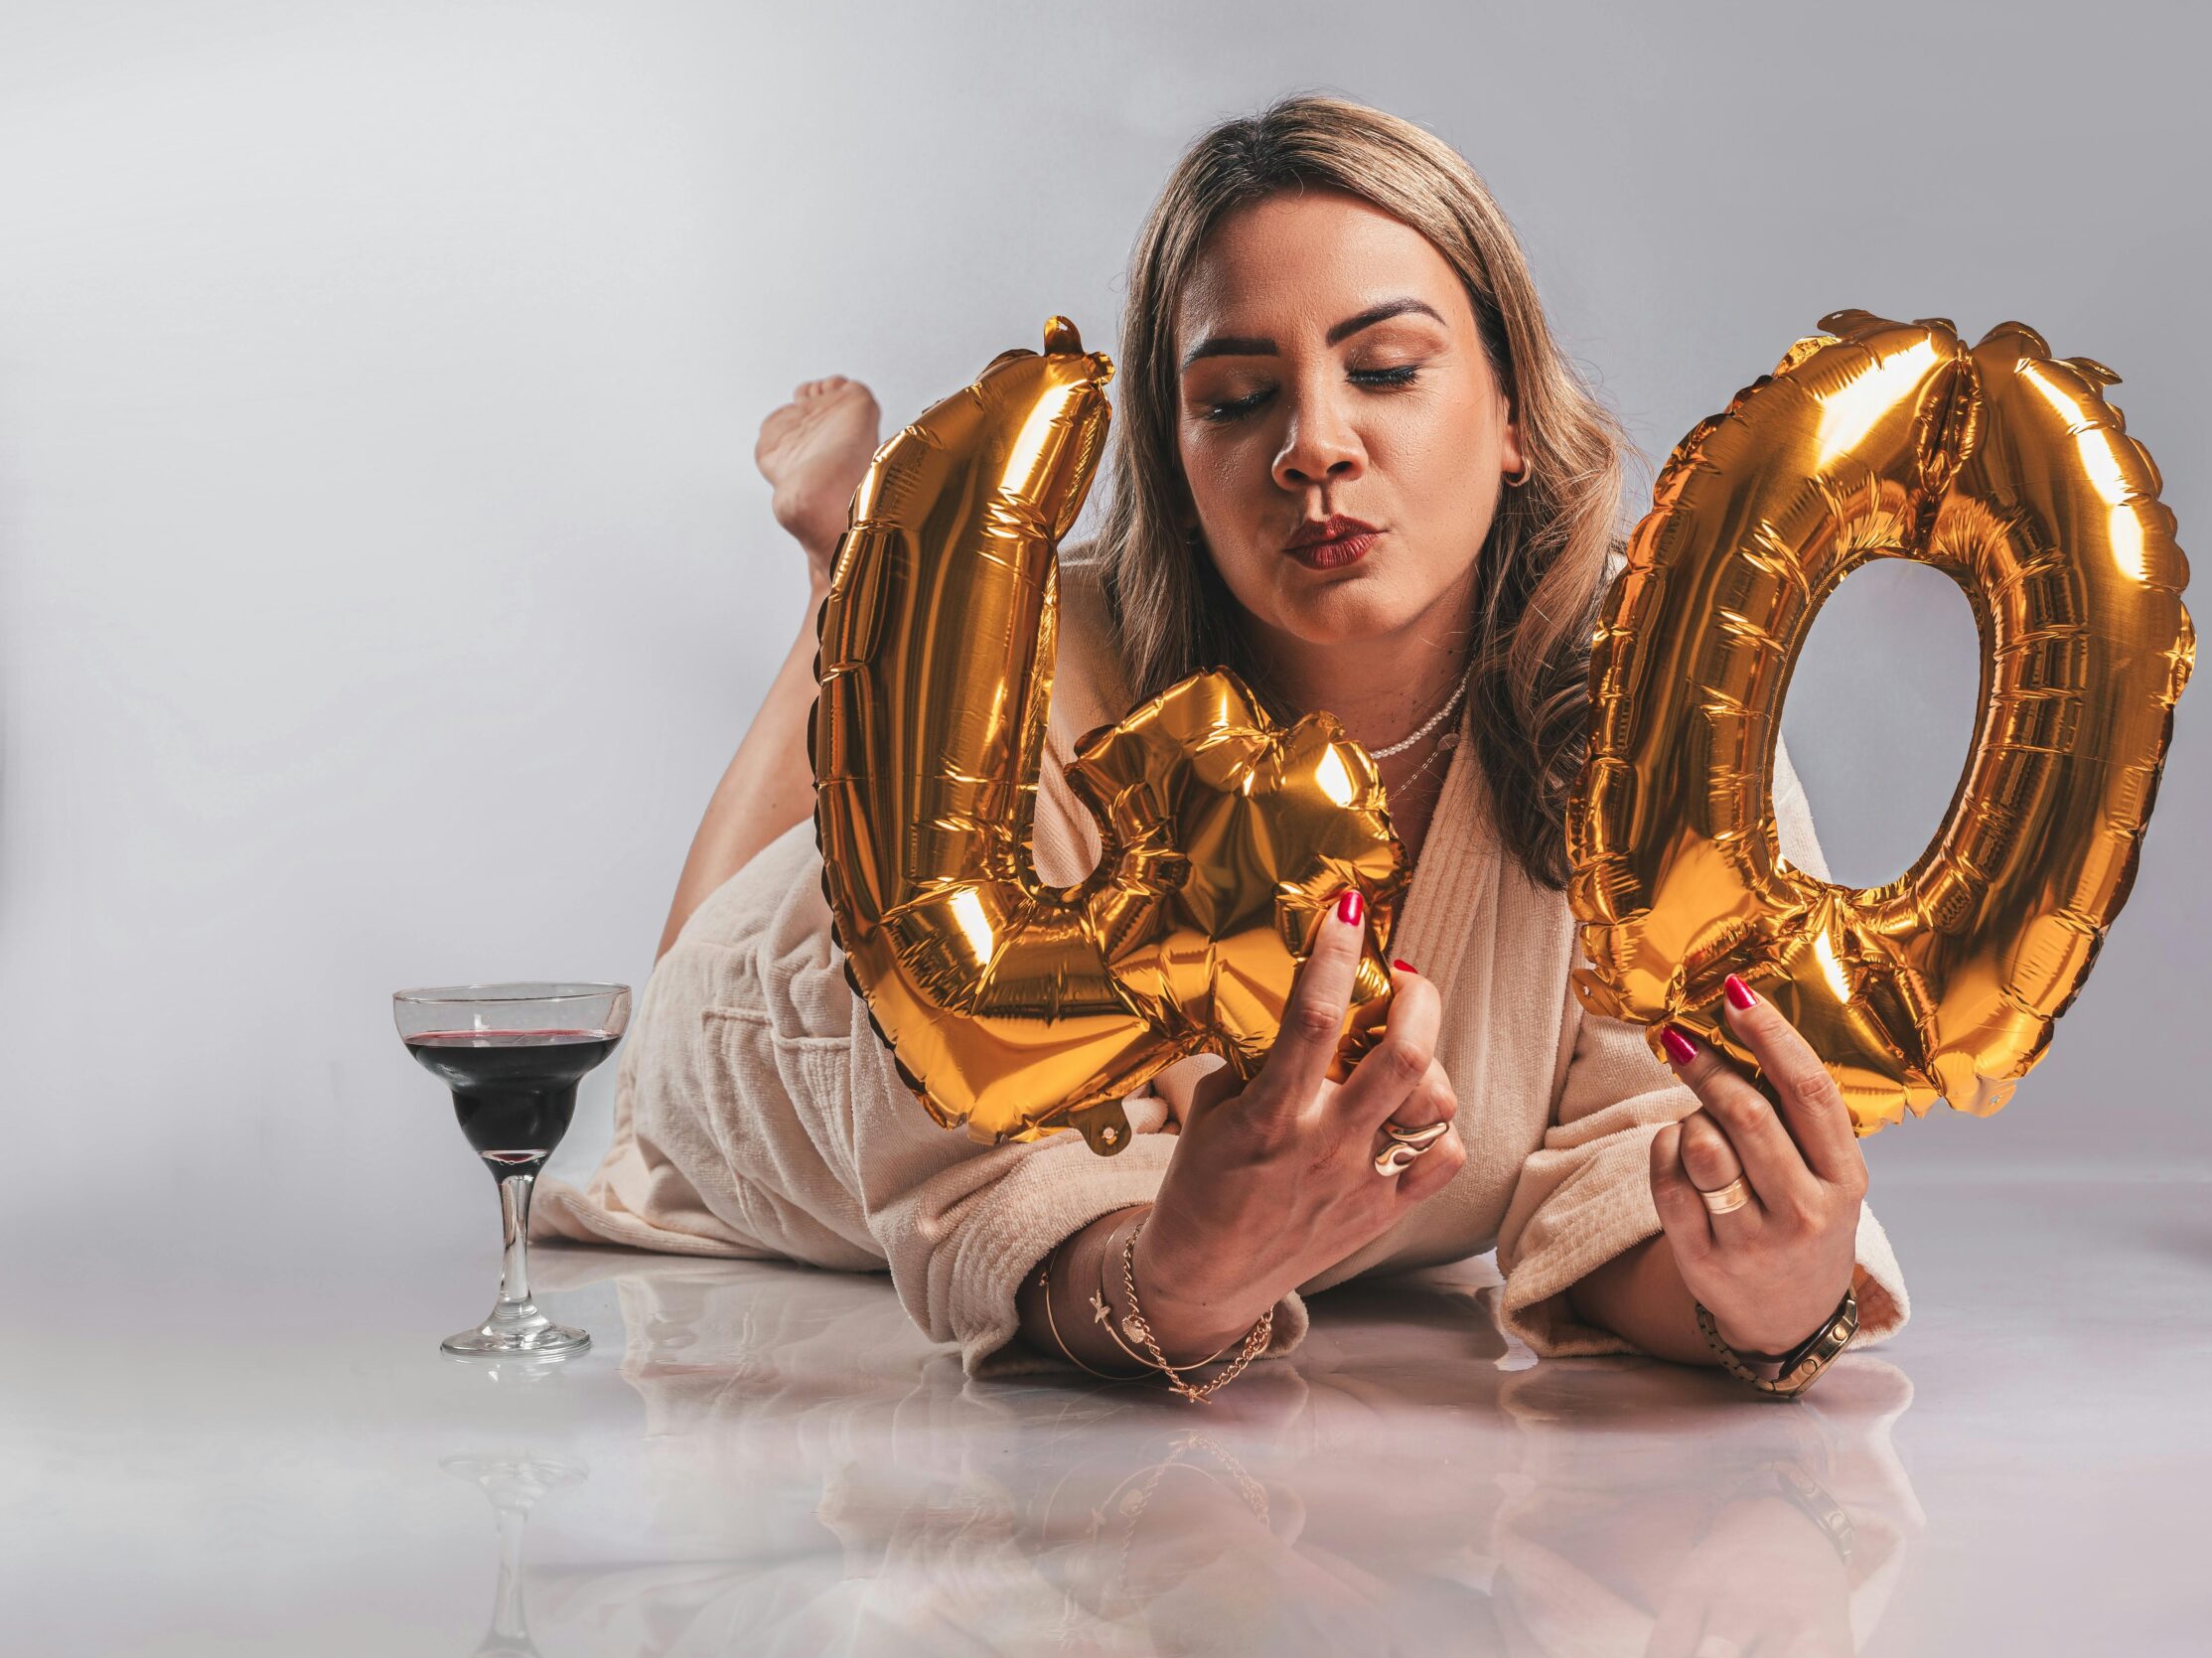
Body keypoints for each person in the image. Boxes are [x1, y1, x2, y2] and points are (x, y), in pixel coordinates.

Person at [537, 95, 1909, 1398]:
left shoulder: (1650, 698)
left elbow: (1649, 1193)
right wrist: (1174, 1285)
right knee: (681, 995)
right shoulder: (1029, 705)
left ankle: (871, 573)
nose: (1313, 445)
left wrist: (1775, 1301)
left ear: (1509, 416)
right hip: (795, 1043)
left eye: (1384, 370)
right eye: (1236, 400)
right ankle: (865, 589)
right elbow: (994, 1212)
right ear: (1178, 465)